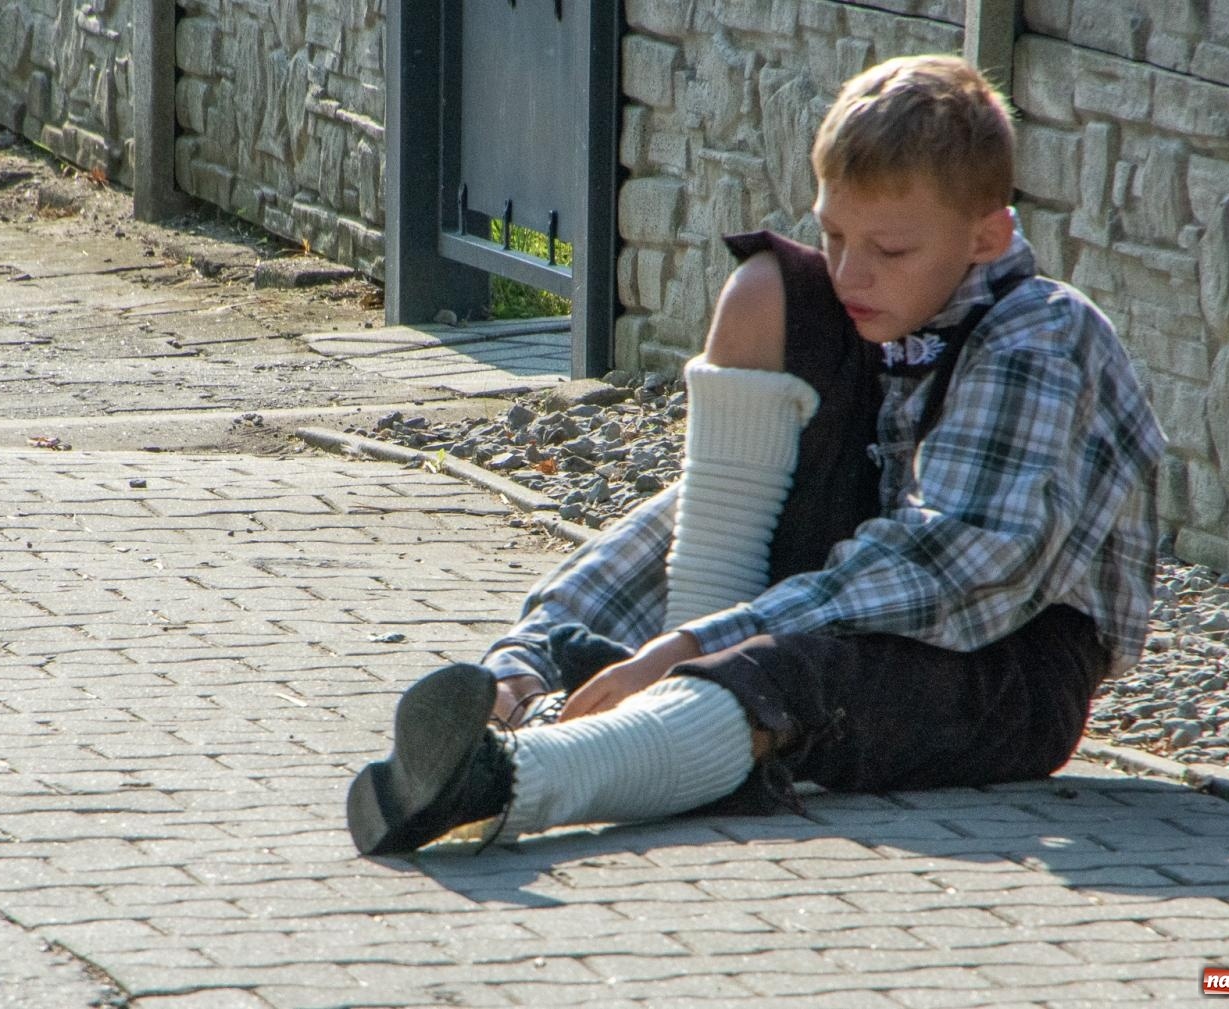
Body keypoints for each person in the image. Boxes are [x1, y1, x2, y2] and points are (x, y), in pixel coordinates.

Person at [346, 54, 1165, 857]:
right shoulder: (875, 311)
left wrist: (691, 647)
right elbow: (696, 508)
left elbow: (952, 567)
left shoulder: (1041, 335)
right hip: (843, 607)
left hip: (1006, 668)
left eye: (891, 249)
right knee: (770, 286)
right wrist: (530, 653)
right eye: (835, 233)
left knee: (786, 675)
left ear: (989, 235)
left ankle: (511, 780)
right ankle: (526, 707)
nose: (853, 271)